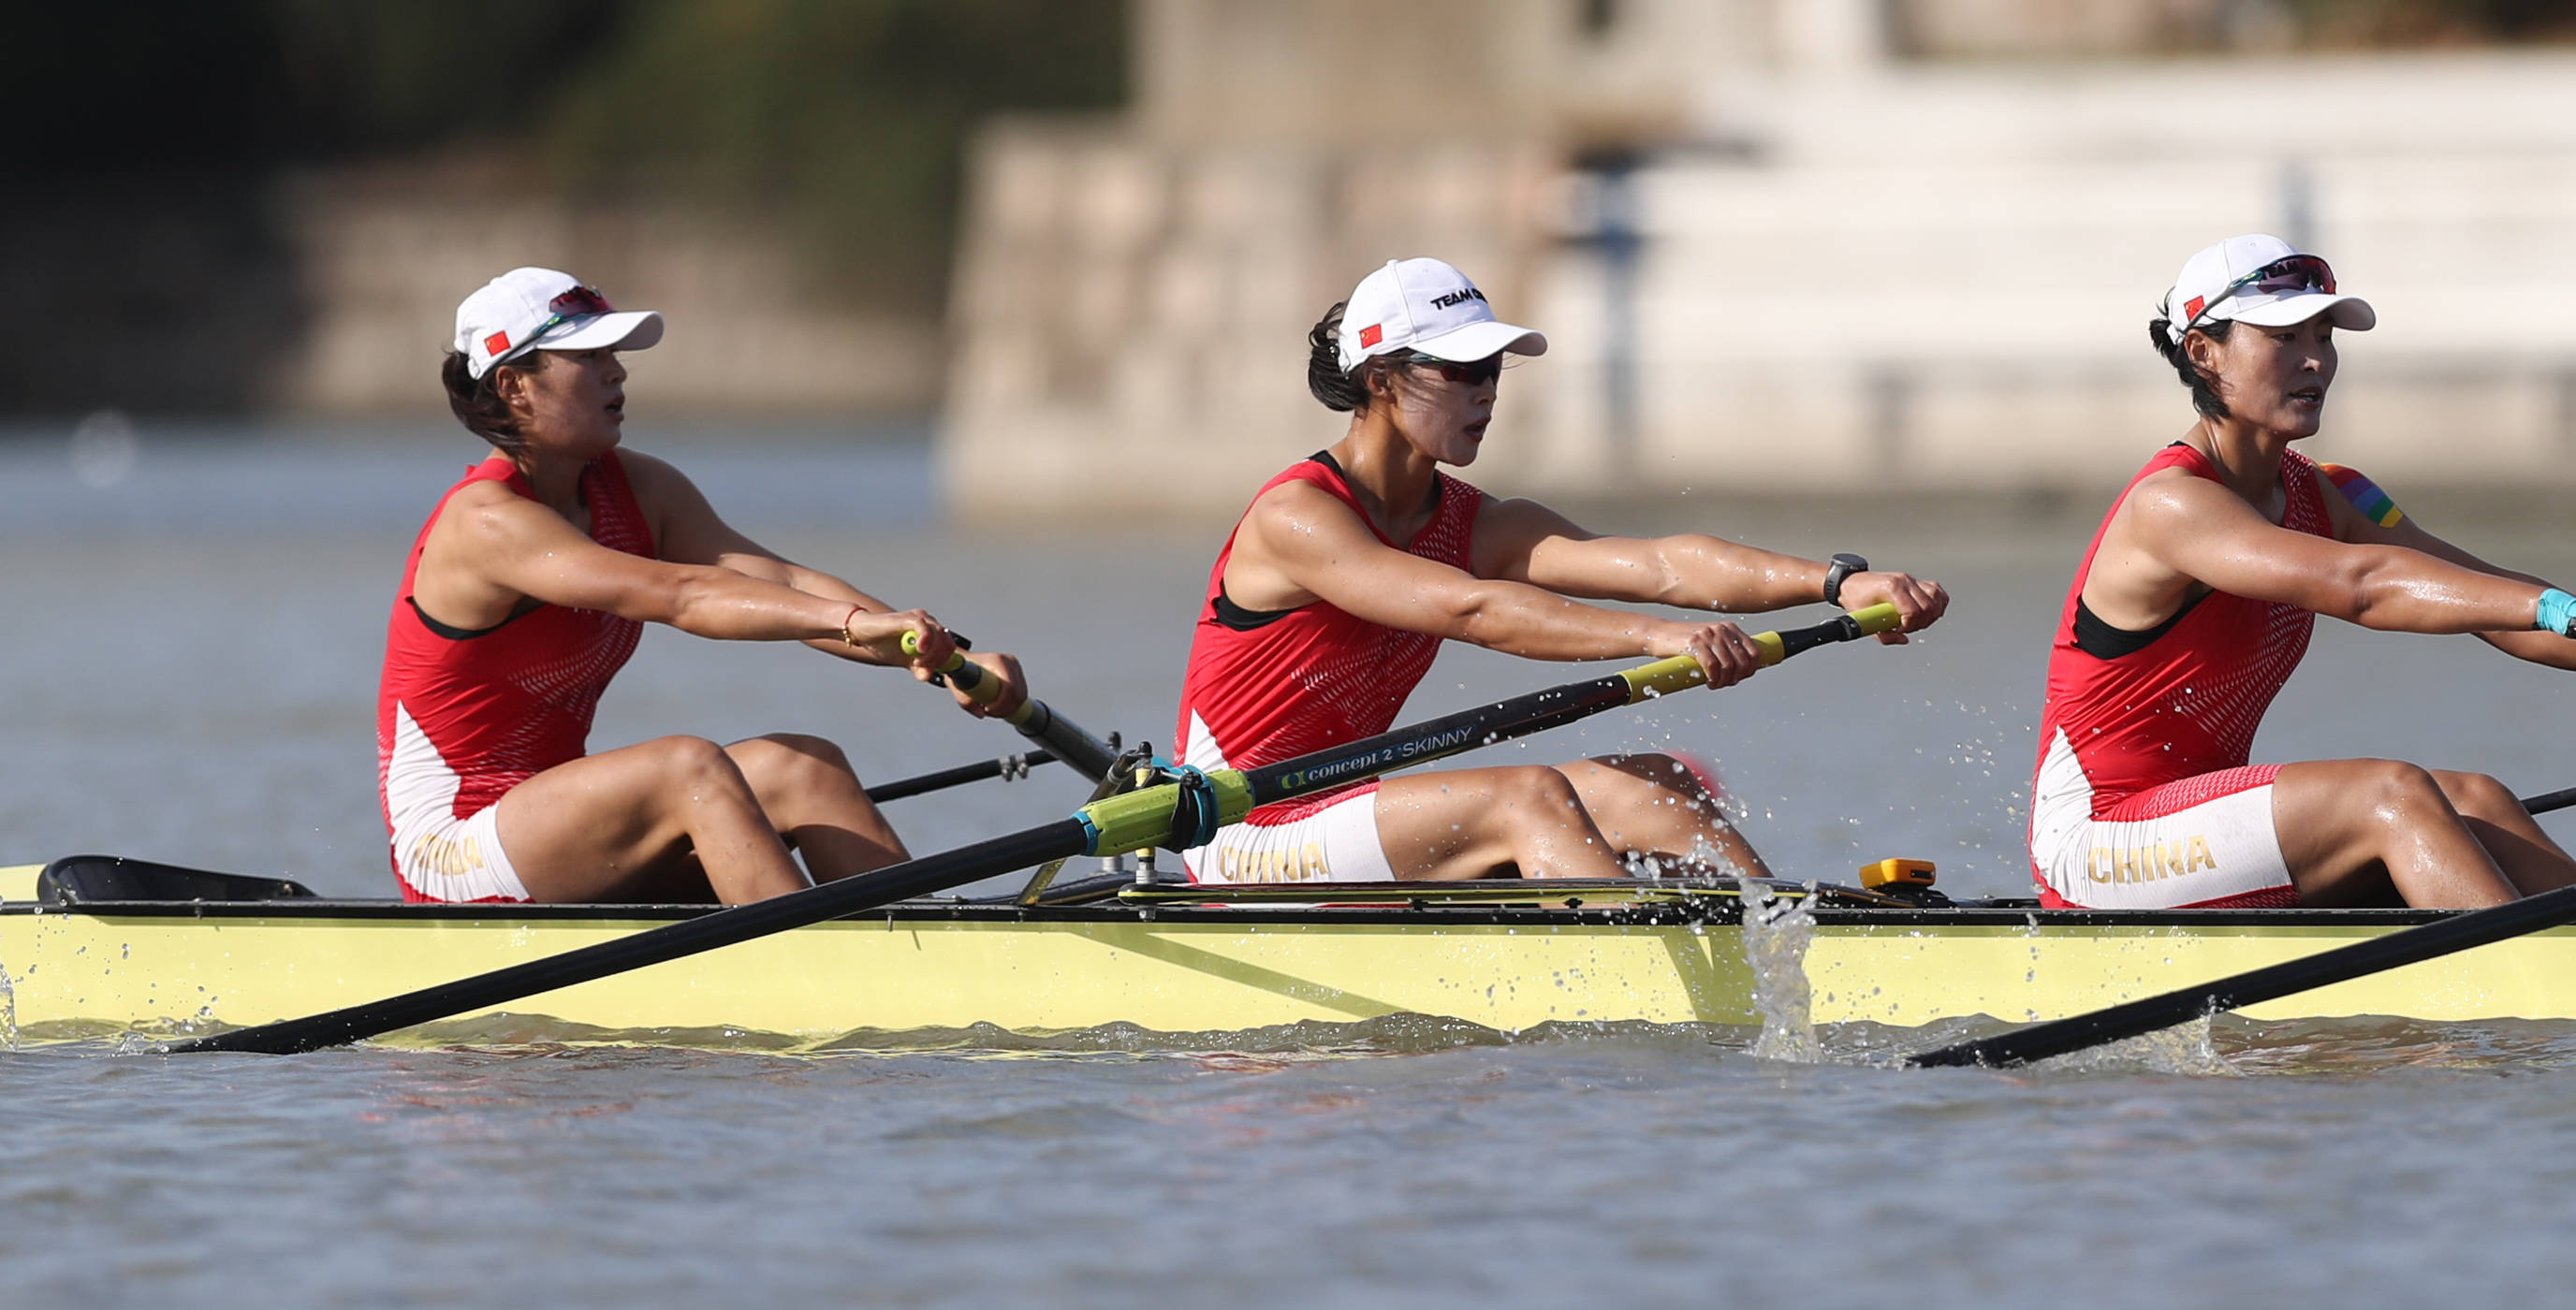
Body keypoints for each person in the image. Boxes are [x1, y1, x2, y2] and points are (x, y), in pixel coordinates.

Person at [1175, 255, 1949, 886]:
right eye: (1461, 370)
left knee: (1654, 785)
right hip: (1244, 830)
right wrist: (1658, 641)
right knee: (1529, 798)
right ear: (1379, 380)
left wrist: (1840, 583)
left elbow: (1662, 566)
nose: (1486, 391)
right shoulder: (1296, 518)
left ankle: (1786, 952)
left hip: (1345, 807)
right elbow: (1471, 611)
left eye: (1495, 370)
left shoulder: (1470, 522)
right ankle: (1640, 988)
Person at [2032, 233, 2576, 914]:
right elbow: (2364, 585)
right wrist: (2557, 610)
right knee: (2390, 793)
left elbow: (2494, 604)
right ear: (2204, 354)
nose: (2317, 358)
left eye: (2322, 334)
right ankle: (2550, 985)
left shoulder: (2328, 494)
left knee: (2478, 801)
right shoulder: (2171, 504)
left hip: (2197, 829)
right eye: (2284, 338)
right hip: (2099, 842)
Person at [379, 268, 1033, 908]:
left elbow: (782, 581)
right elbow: (684, 595)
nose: (618, 371)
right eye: (589, 355)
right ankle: (815, 976)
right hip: (455, 848)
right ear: (514, 385)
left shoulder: (637, 489)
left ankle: (921, 964)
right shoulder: (485, 521)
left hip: (559, 826)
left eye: (613, 352)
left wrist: (945, 655)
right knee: (686, 767)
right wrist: (859, 625)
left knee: (805, 767)